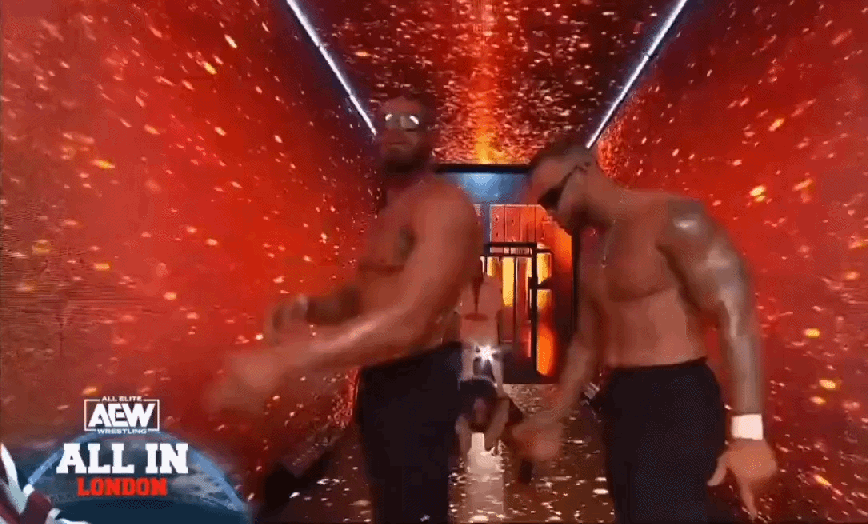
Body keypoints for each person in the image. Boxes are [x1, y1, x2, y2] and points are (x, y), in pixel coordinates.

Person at [208, 94, 483, 524]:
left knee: (414, 512)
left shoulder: (442, 206)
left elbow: (412, 319)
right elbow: (363, 296)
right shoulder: (389, 215)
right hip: (381, 379)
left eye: (410, 121)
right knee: (391, 507)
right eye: (387, 120)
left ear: (431, 136)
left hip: (420, 378)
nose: (396, 129)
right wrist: (309, 307)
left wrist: (285, 360)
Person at [512, 141, 778, 523]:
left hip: (676, 397)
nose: (551, 213)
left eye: (553, 198)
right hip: (622, 400)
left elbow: (735, 311)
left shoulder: (673, 217)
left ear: (585, 168)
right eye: (543, 206)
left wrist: (749, 431)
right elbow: (586, 345)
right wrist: (552, 415)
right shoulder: (593, 254)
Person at [452, 270, 533, 483]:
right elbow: (457, 310)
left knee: (493, 365)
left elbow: (497, 311)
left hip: (486, 336)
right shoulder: (461, 284)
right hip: (468, 338)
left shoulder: (493, 285)